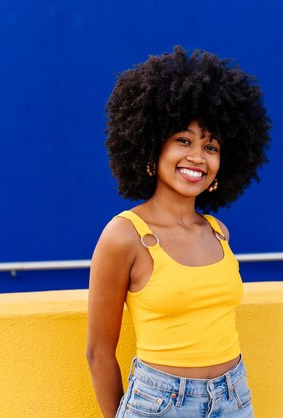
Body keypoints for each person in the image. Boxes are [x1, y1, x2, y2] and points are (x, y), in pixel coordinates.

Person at [86, 46, 271, 418]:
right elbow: (99, 352)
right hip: (160, 403)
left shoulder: (218, 232)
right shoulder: (124, 235)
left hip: (234, 398)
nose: (198, 158)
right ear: (153, 147)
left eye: (211, 146)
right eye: (183, 141)